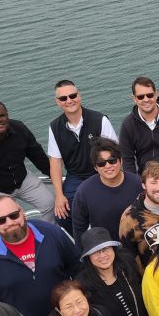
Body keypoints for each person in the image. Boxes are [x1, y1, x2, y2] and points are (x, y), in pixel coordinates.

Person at [0, 195, 80, 316]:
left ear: (22, 211)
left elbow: (78, 270)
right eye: (1, 220)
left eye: (14, 215)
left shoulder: (52, 233)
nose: (9, 222)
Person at [48, 79, 118, 232]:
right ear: (58, 102)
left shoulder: (99, 120)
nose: (69, 101)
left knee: (105, 208)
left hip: (101, 171)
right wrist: (59, 195)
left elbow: (115, 153)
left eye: (72, 96)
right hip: (75, 177)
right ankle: (84, 245)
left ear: (79, 96)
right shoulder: (54, 127)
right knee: (62, 215)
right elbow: (55, 164)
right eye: (63, 98)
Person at [71, 137, 143, 243]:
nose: (108, 166)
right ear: (96, 167)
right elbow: (79, 229)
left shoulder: (137, 184)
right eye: (101, 163)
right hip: (105, 250)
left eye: (112, 161)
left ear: (121, 161)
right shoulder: (84, 192)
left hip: (136, 245)